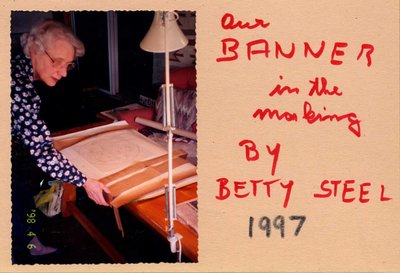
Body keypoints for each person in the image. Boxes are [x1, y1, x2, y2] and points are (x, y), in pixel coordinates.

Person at [10, 19, 110, 261]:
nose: (64, 72)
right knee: (17, 203)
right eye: (57, 62)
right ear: (34, 49)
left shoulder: (19, 65)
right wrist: (85, 181)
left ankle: (31, 243)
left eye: (69, 65)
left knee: (23, 196)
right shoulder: (17, 86)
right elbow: (43, 152)